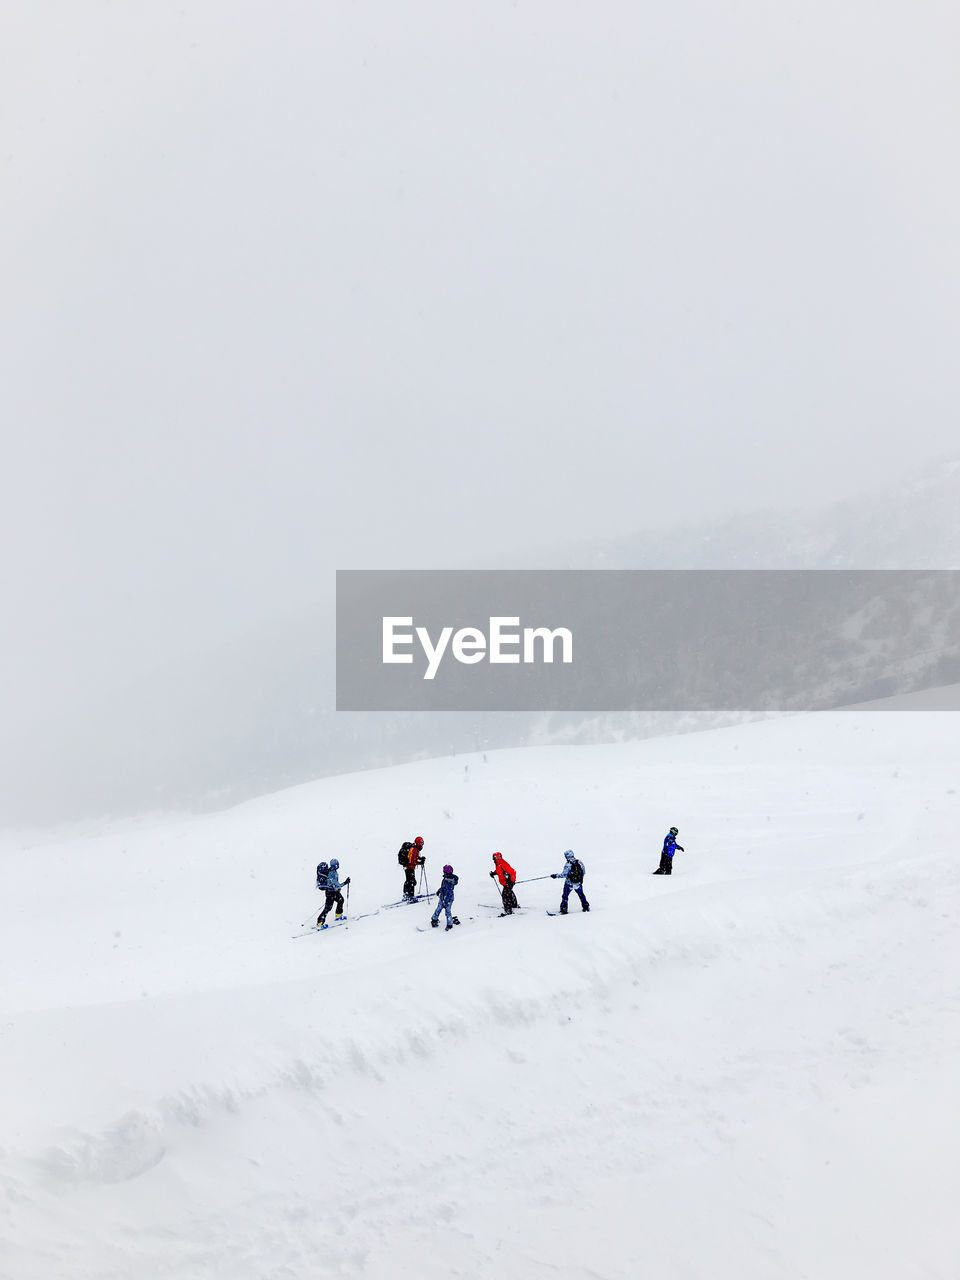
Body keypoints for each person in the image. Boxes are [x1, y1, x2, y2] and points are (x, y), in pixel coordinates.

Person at [318, 858, 351, 927]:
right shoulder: (332, 873)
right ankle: (320, 923)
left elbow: (334, 884)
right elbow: (337, 884)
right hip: (330, 892)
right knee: (328, 908)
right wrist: (345, 882)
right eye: (337, 864)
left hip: (334, 891)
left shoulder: (332, 871)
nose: (338, 866)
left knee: (341, 900)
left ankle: (338, 915)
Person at [431, 864, 460, 931]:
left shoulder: (449, 881)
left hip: (448, 899)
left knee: (447, 911)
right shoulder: (446, 878)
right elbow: (443, 887)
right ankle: (434, 919)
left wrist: (446, 900)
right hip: (443, 897)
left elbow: (449, 891)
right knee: (439, 908)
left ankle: (449, 924)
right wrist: (439, 890)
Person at [397, 835, 425, 900]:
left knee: (409, 881)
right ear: (418, 843)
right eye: (421, 843)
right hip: (409, 867)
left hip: (407, 867)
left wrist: (420, 858)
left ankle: (406, 894)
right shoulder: (414, 849)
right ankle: (411, 896)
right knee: (411, 881)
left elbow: (414, 858)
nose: (422, 844)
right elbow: (412, 861)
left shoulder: (414, 848)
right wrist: (420, 862)